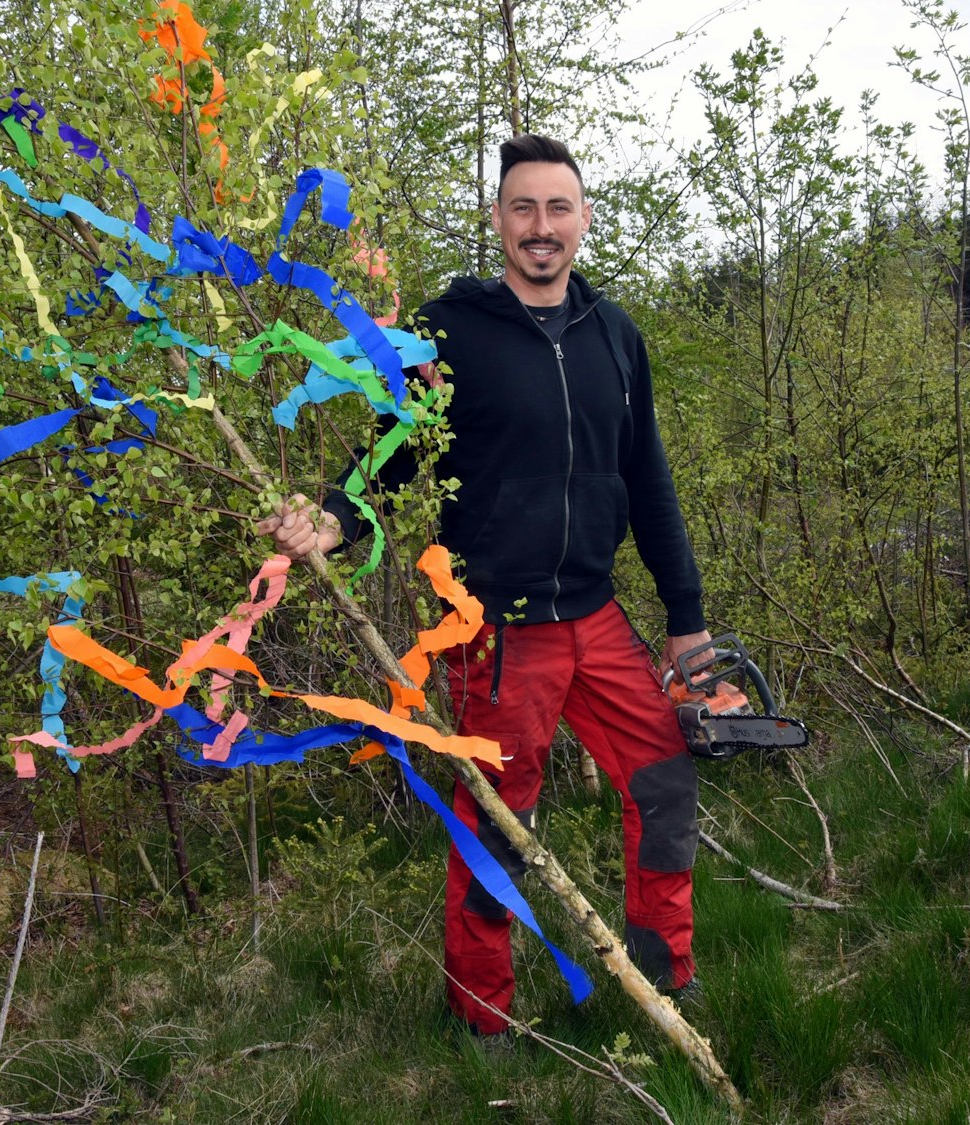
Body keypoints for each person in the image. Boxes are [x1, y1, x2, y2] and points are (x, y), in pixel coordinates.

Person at [257, 134, 710, 1037]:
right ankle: (482, 1021)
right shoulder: (448, 331)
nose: (542, 226)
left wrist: (685, 615)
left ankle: (667, 981)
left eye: (558, 208)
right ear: (497, 218)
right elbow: (391, 449)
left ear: (583, 219)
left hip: (596, 612)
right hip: (496, 626)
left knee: (663, 783)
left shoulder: (616, 335)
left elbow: (647, 478)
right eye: (523, 208)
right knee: (501, 822)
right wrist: (333, 519)